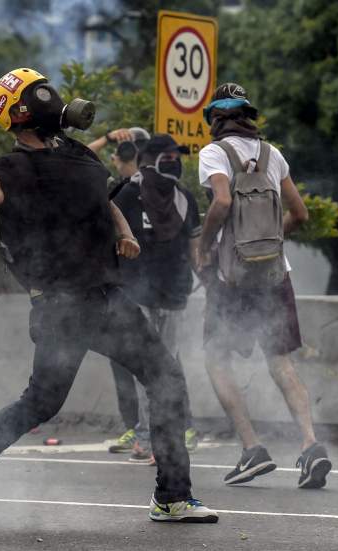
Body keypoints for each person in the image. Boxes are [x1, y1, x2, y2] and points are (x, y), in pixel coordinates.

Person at [0, 67, 218, 529]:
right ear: (22, 113)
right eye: (41, 93)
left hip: (105, 299)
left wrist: (126, 231)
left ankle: (173, 496)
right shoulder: (11, 170)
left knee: (165, 377)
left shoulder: (75, 154)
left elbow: (102, 199)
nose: (54, 99)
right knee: (39, 404)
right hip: (61, 308)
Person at [196, 82, 332, 489]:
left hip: (232, 279)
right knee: (280, 361)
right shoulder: (274, 155)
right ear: (248, 116)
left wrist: (205, 246)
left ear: (216, 120)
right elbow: (301, 214)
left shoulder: (214, 154)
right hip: (275, 273)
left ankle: (252, 448)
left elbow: (221, 203)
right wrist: (269, 240)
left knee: (216, 358)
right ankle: (311, 446)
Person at [97, 132, 202, 465]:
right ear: (150, 159)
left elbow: (195, 251)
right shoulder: (128, 193)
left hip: (173, 297)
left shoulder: (184, 198)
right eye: (168, 157)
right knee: (152, 370)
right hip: (137, 296)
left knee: (161, 370)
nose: (174, 163)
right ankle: (151, 438)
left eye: (177, 157)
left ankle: (158, 438)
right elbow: (105, 233)